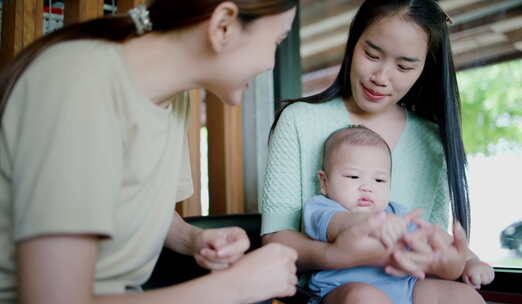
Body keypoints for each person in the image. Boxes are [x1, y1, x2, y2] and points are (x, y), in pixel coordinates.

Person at [0, 1, 299, 303]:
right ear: (223, 25)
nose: (272, 63)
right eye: (277, 40)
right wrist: (236, 287)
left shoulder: (173, 99)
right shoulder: (78, 82)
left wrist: (194, 239)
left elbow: (131, 202)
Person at [261, 0, 494, 299]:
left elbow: (429, 245)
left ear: (425, 67)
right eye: (371, 55)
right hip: (337, 291)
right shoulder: (299, 120)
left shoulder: (431, 139)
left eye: (404, 66)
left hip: (404, 287)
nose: (381, 78)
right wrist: (340, 253)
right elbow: (277, 241)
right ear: (352, 44)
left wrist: (455, 263)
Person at [303, 125, 492, 304]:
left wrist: (470, 261)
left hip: (405, 289)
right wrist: (375, 223)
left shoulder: (396, 213)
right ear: (324, 182)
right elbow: (339, 225)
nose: (367, 187)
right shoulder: (322, 208)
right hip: (339, 291)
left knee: (463, 295)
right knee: (362, 296)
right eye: (353, 176)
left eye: (379, 179)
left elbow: (437, 238)